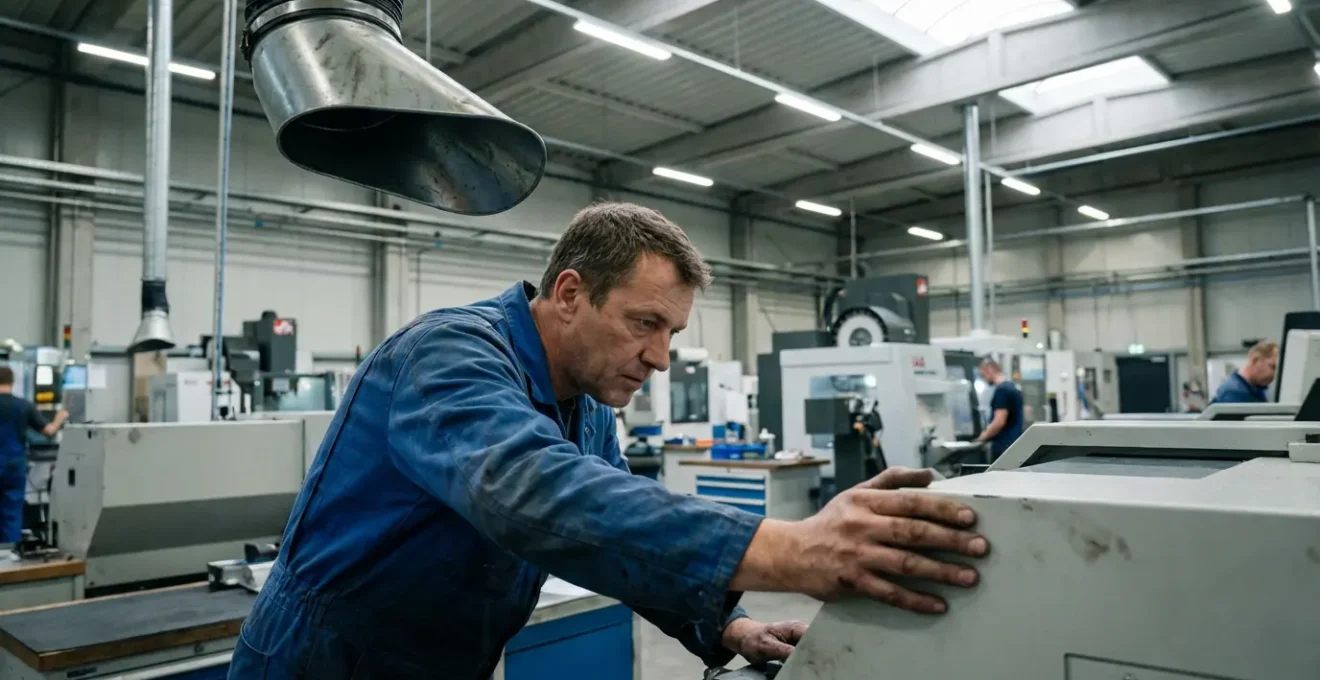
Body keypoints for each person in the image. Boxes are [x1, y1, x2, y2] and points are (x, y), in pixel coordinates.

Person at [229, 203, 990, 679]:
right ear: (569, 294)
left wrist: (724, 624)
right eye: (645, 323)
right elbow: (530, 492)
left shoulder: (586, 405)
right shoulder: (448, 356)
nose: (661, 358)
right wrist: (792, 549)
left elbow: (623, 533)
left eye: (673, 333)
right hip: (321, 661)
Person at [0, 365, 67, 547]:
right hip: (14, 466)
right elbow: (49, 431)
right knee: (12, 511)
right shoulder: (24, 406)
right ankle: (8, 557)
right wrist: (59, 418)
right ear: (12, 382)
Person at [974, 358, 1023, 460]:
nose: (984, 379)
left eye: (983, 375)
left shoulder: (1002, 390)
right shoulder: (1012, 387)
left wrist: (980, 439)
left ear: (989, 370)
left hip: (1004, 447)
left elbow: (999, 422)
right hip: (1015, 444)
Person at [1211, 341, 1278, 404]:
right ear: (1255, 360)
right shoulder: (1233, 393)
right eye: (1272, 367)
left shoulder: (1255, 390)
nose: (1273, 375)